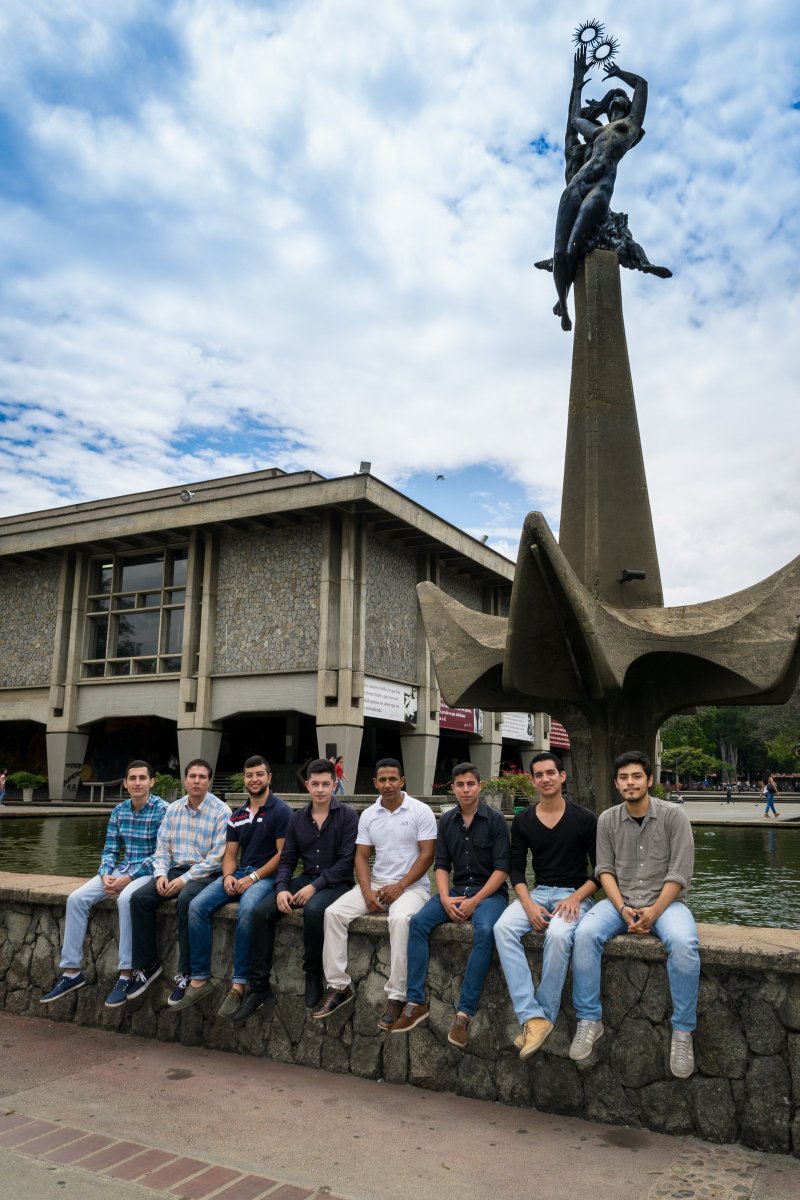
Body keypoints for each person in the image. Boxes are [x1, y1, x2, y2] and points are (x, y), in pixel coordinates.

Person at [569, 750, 700, 1079]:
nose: (630, 782)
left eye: (637, 776)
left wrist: (653, 912)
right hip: (621, 902)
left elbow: (679, 873)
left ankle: (683, 1033)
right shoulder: (608, 820)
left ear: (650, 780)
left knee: (684, 944)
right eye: (624, 777)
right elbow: (604, 870)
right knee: (584, 934)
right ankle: (589, 1020)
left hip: (666, 905)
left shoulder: (674, 817)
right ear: (616, 783)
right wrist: (622, 908)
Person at [231, 758, 359, 1024]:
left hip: (337, 883)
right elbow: (287, 859)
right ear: (307, 785)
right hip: (307, 878)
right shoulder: (298, 818)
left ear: (334, 785)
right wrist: (280, 889)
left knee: (313, 911)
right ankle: (259, 986)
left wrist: (315, 887)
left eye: (326, 784)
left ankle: (312, 974)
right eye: (315, 784)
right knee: (261, 911)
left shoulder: (347, 816)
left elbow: (347, 861)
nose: (321, 789)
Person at [390, 763, 509, 1048]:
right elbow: (441, 865)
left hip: (488, 895)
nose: (465, 789)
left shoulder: (496, 821)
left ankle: (463, 1014)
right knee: (417, 923)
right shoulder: (446, 821)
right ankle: (416, 1001)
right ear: (453, 788)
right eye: (460, 785)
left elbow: (502, 870)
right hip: (455, 891)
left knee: (484, 931)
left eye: (471, 784)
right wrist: (444, 897)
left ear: (480, 786)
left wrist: (475, 901)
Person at [312, 758, 436, 1027]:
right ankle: (339, 986)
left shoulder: (420, 811)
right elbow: (361, 857)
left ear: (402, 781)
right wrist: (367, 891)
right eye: (383, 780)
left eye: (393, 779)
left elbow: (427, 856)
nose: (388, 784)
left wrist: (400, 886)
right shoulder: (368, 814)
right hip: (377, 883)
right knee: (333, 913)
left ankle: (398, 995)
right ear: (375, 783)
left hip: (412, 887)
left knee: (400, 921)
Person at [493, 752, 597, 1059]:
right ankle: (532, 1016)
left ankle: (543, 1017)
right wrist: (527, 904)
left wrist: (576, 897)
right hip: (538, 893)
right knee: (503, 928)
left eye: (551, 773)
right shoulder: (524, 820)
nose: (545, 779)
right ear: (533, 780)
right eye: (538, 774)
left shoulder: (584, 818)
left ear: (562, 777)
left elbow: (602, 870)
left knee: (559, 936)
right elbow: (515, 868)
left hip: (575, 893)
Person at [169, 757, 292, 1014]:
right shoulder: (238, 815)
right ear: (244, 779)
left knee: (247, 910)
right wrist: (227, 876)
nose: (254, 779)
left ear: (269, 777)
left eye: (259, 774)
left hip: (267, 878)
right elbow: (229, 855)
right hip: (241, 873)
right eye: (249, 775)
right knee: (197, 905)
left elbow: (283, 855)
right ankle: (200, 977)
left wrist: (254, 878)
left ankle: (238, 985)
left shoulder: (281, 811)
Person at [40, 761, 167, 1007]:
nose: (138, 782)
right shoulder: (119, 810)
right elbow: (110, 849)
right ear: (125, 783)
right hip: (122, 868)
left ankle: (126, 974)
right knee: (76, 898)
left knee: (125, 898)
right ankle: (71, 972)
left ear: (152, 782)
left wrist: (127, 879)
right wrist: (106, 874)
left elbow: (162, 854)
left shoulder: (163, 810)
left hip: (150, 872)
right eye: (133, 778)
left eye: (142, 778)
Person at [553, 54, 648, 331]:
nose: (616, 101)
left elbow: (642, 84)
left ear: (627, 106)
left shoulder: (631, 128)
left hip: (599, 190)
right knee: (560, 252)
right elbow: (573, 119)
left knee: (574, 246)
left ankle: (638, 258)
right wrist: (577, 82)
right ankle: (563, 303)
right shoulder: (596, 132)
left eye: (621, 99)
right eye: (614, 99)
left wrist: (618, 73)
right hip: (576, 187)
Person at [126, 759, 229, 1004]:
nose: (196, 781)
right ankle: (148, 964)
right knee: (139, 898)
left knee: (185, 900)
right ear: (185, 780)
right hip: (173, 870)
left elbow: (216, 858)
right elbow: (162, 849)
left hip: (204, 874)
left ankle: (186, 971)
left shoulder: (221, 811)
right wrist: (161, 874)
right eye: (192, 776)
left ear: (209, 781)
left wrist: (184, 880)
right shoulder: (173, 809)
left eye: (202, 777)